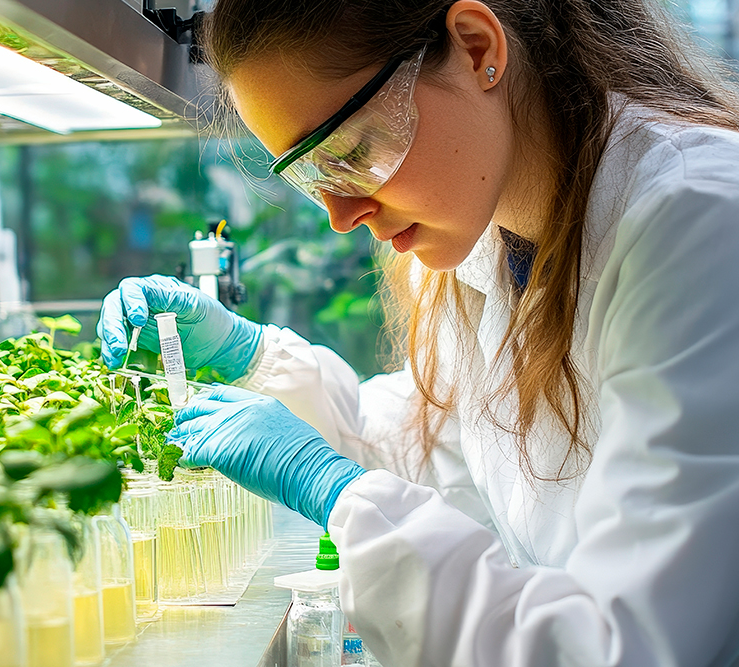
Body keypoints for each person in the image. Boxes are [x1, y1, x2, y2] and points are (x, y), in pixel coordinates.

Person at [98, 0, 739, 664]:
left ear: (476, 47)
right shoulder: (493, 231)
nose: (341, 216)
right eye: (314, 177)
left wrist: (329, 483)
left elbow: (618, 647)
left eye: (352, 150)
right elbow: (434, 452)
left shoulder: (699, 225)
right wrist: (252, 356)